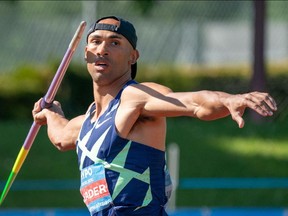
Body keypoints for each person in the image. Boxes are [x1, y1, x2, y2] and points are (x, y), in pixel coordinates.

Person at [32, 16, 277, 216]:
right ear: (86, 54)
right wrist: (52, 113)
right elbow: (62, 137)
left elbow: (192, 103)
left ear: (133, 57)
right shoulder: (87, 120)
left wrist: (227, 99)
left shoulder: (135, 98)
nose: (103, 49)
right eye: (95, 42)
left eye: (115, 43)